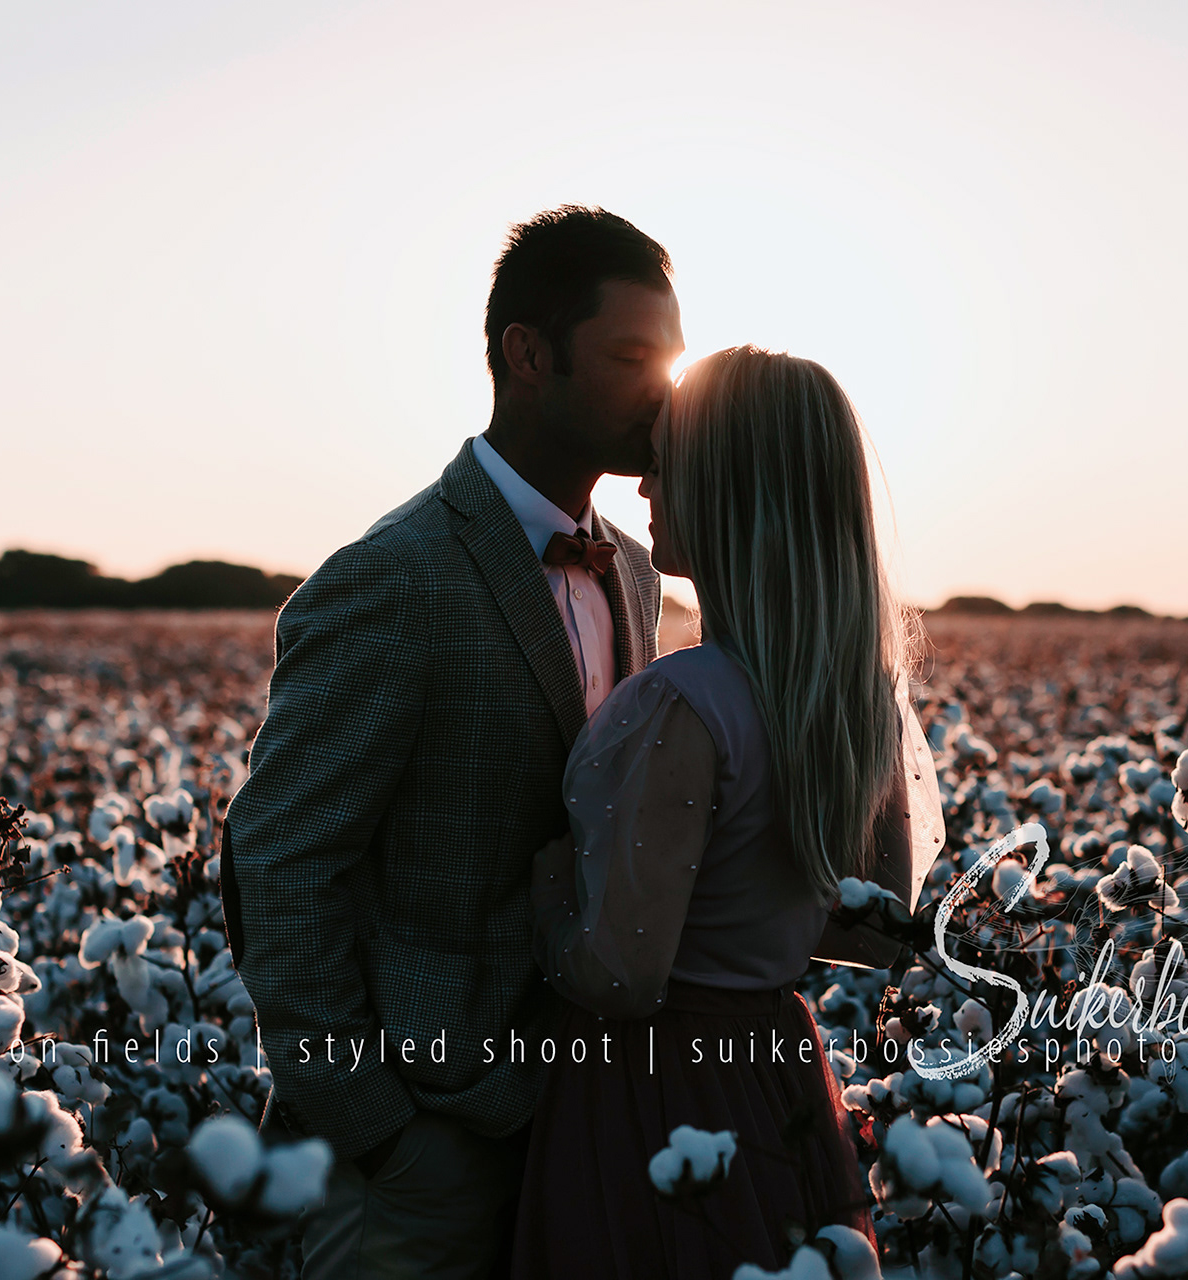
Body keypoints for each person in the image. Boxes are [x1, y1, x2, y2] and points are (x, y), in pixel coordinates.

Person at [220, 205, 683, 1279]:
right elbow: (279, 863)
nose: (660, 389)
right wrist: (374, 1122)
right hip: (419, 1150)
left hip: (584, 1120)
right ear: (529, 354)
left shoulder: (636, 569)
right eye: (626, 356)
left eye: (668, 358)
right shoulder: (393, 575)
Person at [510, 346, 946, 1277]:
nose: (643, 491)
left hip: (655, 1096)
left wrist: (547, 892)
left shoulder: (683, 704)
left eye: (665, 463)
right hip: (777, 1075)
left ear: (727, 487)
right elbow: (876, 929)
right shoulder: (853, 700)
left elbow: (621, 975)